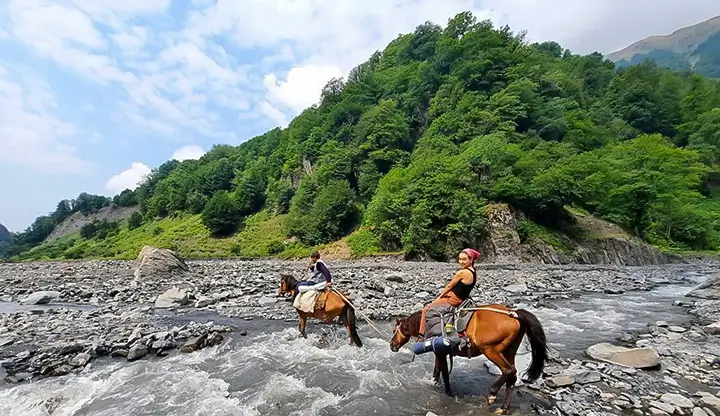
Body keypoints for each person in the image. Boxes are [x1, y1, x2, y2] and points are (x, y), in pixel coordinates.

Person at [418, 248, 480, 337]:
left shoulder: (462, 272)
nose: (461, 262)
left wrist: (440, 297)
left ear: (471, 260)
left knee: (426, 310)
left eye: (464, 259)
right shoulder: (473, 271)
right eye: (460, 259)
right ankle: (448, 329)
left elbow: (449, 286)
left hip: (453, 300)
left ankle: (421, 334)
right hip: (463, 298)